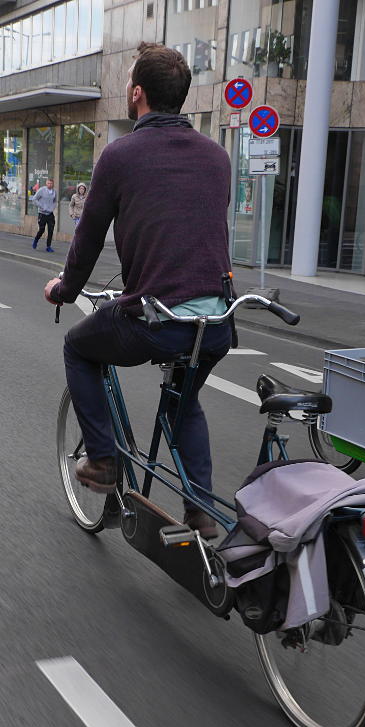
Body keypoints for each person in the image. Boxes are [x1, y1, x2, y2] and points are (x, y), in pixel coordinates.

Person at [43, 42, 233, 539]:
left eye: (129, 83)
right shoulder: (217, 157)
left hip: (157, 321)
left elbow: (86, 243)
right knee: (184, 401)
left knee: (78, 348)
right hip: (214, 325)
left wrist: (65, 289)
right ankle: (200, 509)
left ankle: (103, 461)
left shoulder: (120, 155)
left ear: (138, 93)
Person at [31, 177, 57, 252]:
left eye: (51, 183)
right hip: (42, 213)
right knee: (42, 229)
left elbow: (55, 201)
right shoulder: (42, 190)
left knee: (51, 230)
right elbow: (34, 199)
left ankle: (48, 246)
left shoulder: (54, 191)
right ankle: (36, 240)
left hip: (50, 214)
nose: (50, 184)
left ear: (53, 184)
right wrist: (42, 206)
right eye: (48, 183)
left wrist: (52, 208)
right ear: (46, 183)